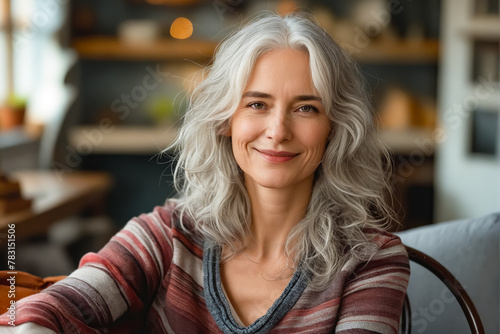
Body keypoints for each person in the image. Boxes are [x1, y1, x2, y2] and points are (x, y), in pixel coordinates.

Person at [0, 13, 409, 333]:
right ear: (225, 120)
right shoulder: (166, 234)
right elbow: (57, 303)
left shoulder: (372, 261)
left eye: (306, 107)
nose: (278, 131)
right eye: (256, 104)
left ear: (335, 127)